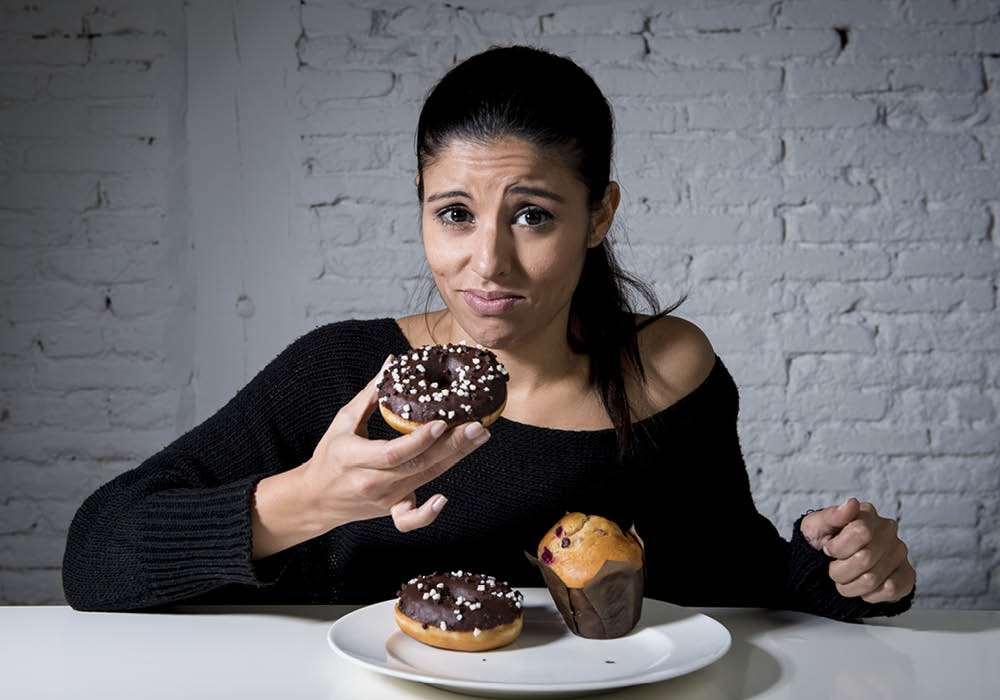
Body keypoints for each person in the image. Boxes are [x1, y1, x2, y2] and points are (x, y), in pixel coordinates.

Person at [63, 45, 915, 617]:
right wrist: (313, 498)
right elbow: (97, 556)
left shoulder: (665, 368)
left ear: (599, 214)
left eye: (533, 215)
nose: (487, 263)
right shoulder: (349, 372)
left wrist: (843, 565)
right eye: (455, 214)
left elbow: (731, 578)